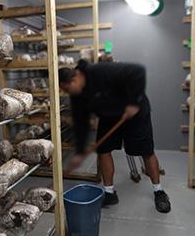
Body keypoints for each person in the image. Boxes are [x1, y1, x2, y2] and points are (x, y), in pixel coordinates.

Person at [59, 60, 171, 213]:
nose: (68, 93)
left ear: (75, 78)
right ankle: (109, 193)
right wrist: (79, 152)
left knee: (146, 151)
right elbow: (81, 125)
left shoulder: (100, 70)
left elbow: (137, 71)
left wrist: (133, 101)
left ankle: (159, 191)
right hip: (109, 116)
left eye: (67, 88)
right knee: (103, 149)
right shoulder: (78, 95)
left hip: (134, 112)